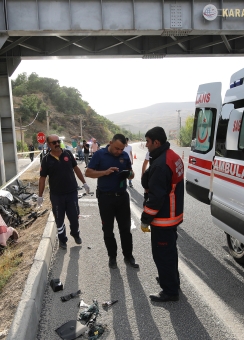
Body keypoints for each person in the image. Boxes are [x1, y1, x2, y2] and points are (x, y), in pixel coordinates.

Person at [140, 126, 184, 302]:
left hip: (164, 218)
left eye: (148, 142)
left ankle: (170, 291)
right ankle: (171, 280)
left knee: (162, 255)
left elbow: (156, 198)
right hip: (173, 215)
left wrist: (145, 219)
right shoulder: (172, 156)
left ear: (156, 142)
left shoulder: (160, 164)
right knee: (170, 252)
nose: (146, 145)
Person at [85, 133, 138, 269]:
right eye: (117, 148)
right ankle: (112, 257)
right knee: (108, 229)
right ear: (110, 143)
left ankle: (128, 256)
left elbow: (132, 174)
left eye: (122, 149)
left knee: (125, 229)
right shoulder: (99, 154)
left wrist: (129, 174)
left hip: (122, 197)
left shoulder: (125, 156)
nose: (119, 152)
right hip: (105, 197)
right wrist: (105, 172)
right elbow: (88, 173)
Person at [38, 134, 90, 249]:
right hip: (57, 196)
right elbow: (42, 178)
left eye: (58, 141)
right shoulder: (46, 160)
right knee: (59, 219)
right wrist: (40, 195)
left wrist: (84, 183)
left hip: (71, 193)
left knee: (74, 216)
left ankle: (75, 234)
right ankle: (62, 240)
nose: (57, 144)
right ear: (49, 144)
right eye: (54, 142)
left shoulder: (68, 154)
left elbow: (76, 168)